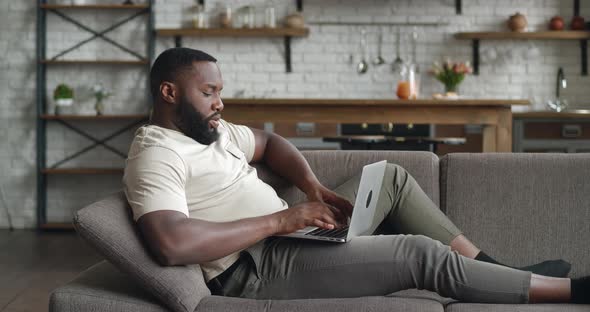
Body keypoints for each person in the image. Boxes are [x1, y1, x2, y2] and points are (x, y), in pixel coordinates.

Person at [123, 47, 589, 304]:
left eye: (220, 92)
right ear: (168, 92)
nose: (220, 104)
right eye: (209, 92)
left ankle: (494, 270)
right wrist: (282, 221)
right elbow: (172, 245)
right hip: (256, 269)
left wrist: (314, 188)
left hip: (290, 236)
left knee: (390, 177)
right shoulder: (156, 154)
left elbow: (268, 142)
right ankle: (570, 293)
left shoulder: (211, 131)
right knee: (419, 254)